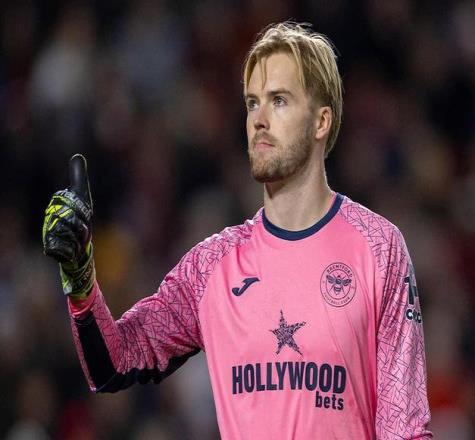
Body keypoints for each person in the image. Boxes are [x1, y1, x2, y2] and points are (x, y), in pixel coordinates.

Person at [42, 22, 433, 439]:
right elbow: (113, 363)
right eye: (251, 103)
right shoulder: (211, 267)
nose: (259, 120)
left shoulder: (378, 248)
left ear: (321, 122)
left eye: (278, 101)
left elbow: (406, 428)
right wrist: (80, 277)